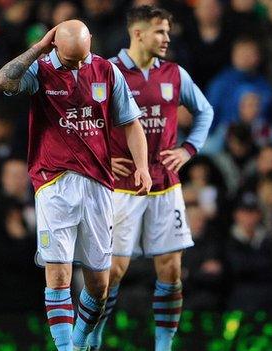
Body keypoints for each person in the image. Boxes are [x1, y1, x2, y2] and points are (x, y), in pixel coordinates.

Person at [0, 20, 150, 351]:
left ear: (90, 41)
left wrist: (142, 168)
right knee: (59, 277)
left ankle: (79, 343)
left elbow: (132, 124)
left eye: (82, 58)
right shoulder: (40, 70)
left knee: (98, 287)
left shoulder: (107, 72)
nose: (77, 66)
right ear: (54, 46)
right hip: (53, 183)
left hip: (98, 184)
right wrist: (38, 49)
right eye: (69, 61)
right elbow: (3, 79)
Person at [88, 6, 213, 351]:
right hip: (120, 188)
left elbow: (205, 111)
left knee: (171, 271)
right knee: (111, 272)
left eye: (168, 32)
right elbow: (81, 121)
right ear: (138, 33)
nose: (167, 39)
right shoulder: (107, 72)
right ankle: (94, 337)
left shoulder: (174, 74)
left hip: (165, 186)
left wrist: (189, 149)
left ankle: (163, 346)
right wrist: (102, 158)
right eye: (160, 32)